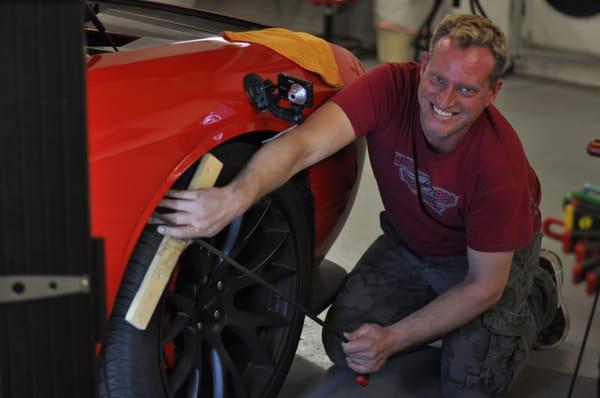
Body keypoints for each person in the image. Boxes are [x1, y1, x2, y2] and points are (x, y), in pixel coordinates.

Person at [155, 14, 569, 397]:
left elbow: (483, 286)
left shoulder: (498, 165)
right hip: (409, 245)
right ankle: (437, 308)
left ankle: (540, 288)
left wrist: (394, 338)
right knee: (344, 343)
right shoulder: (388, 87)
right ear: (423, 63)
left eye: (466, 89)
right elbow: (301, 146)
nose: (445, 100)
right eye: (438, 78)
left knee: (472, 384)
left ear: (493, 91)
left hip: (483, 261)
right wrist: (234, 197)